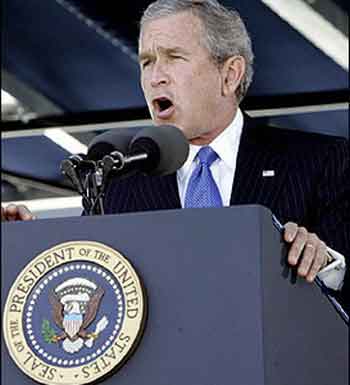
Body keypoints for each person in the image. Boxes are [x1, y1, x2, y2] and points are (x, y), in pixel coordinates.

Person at [2, 0, 349, 312]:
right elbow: (88, 292)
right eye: (147, 62)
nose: (155, 77)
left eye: (174, 57)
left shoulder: (323, 162)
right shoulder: (118, 184)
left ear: (229, 74)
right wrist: (26, 247)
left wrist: (326, 266)